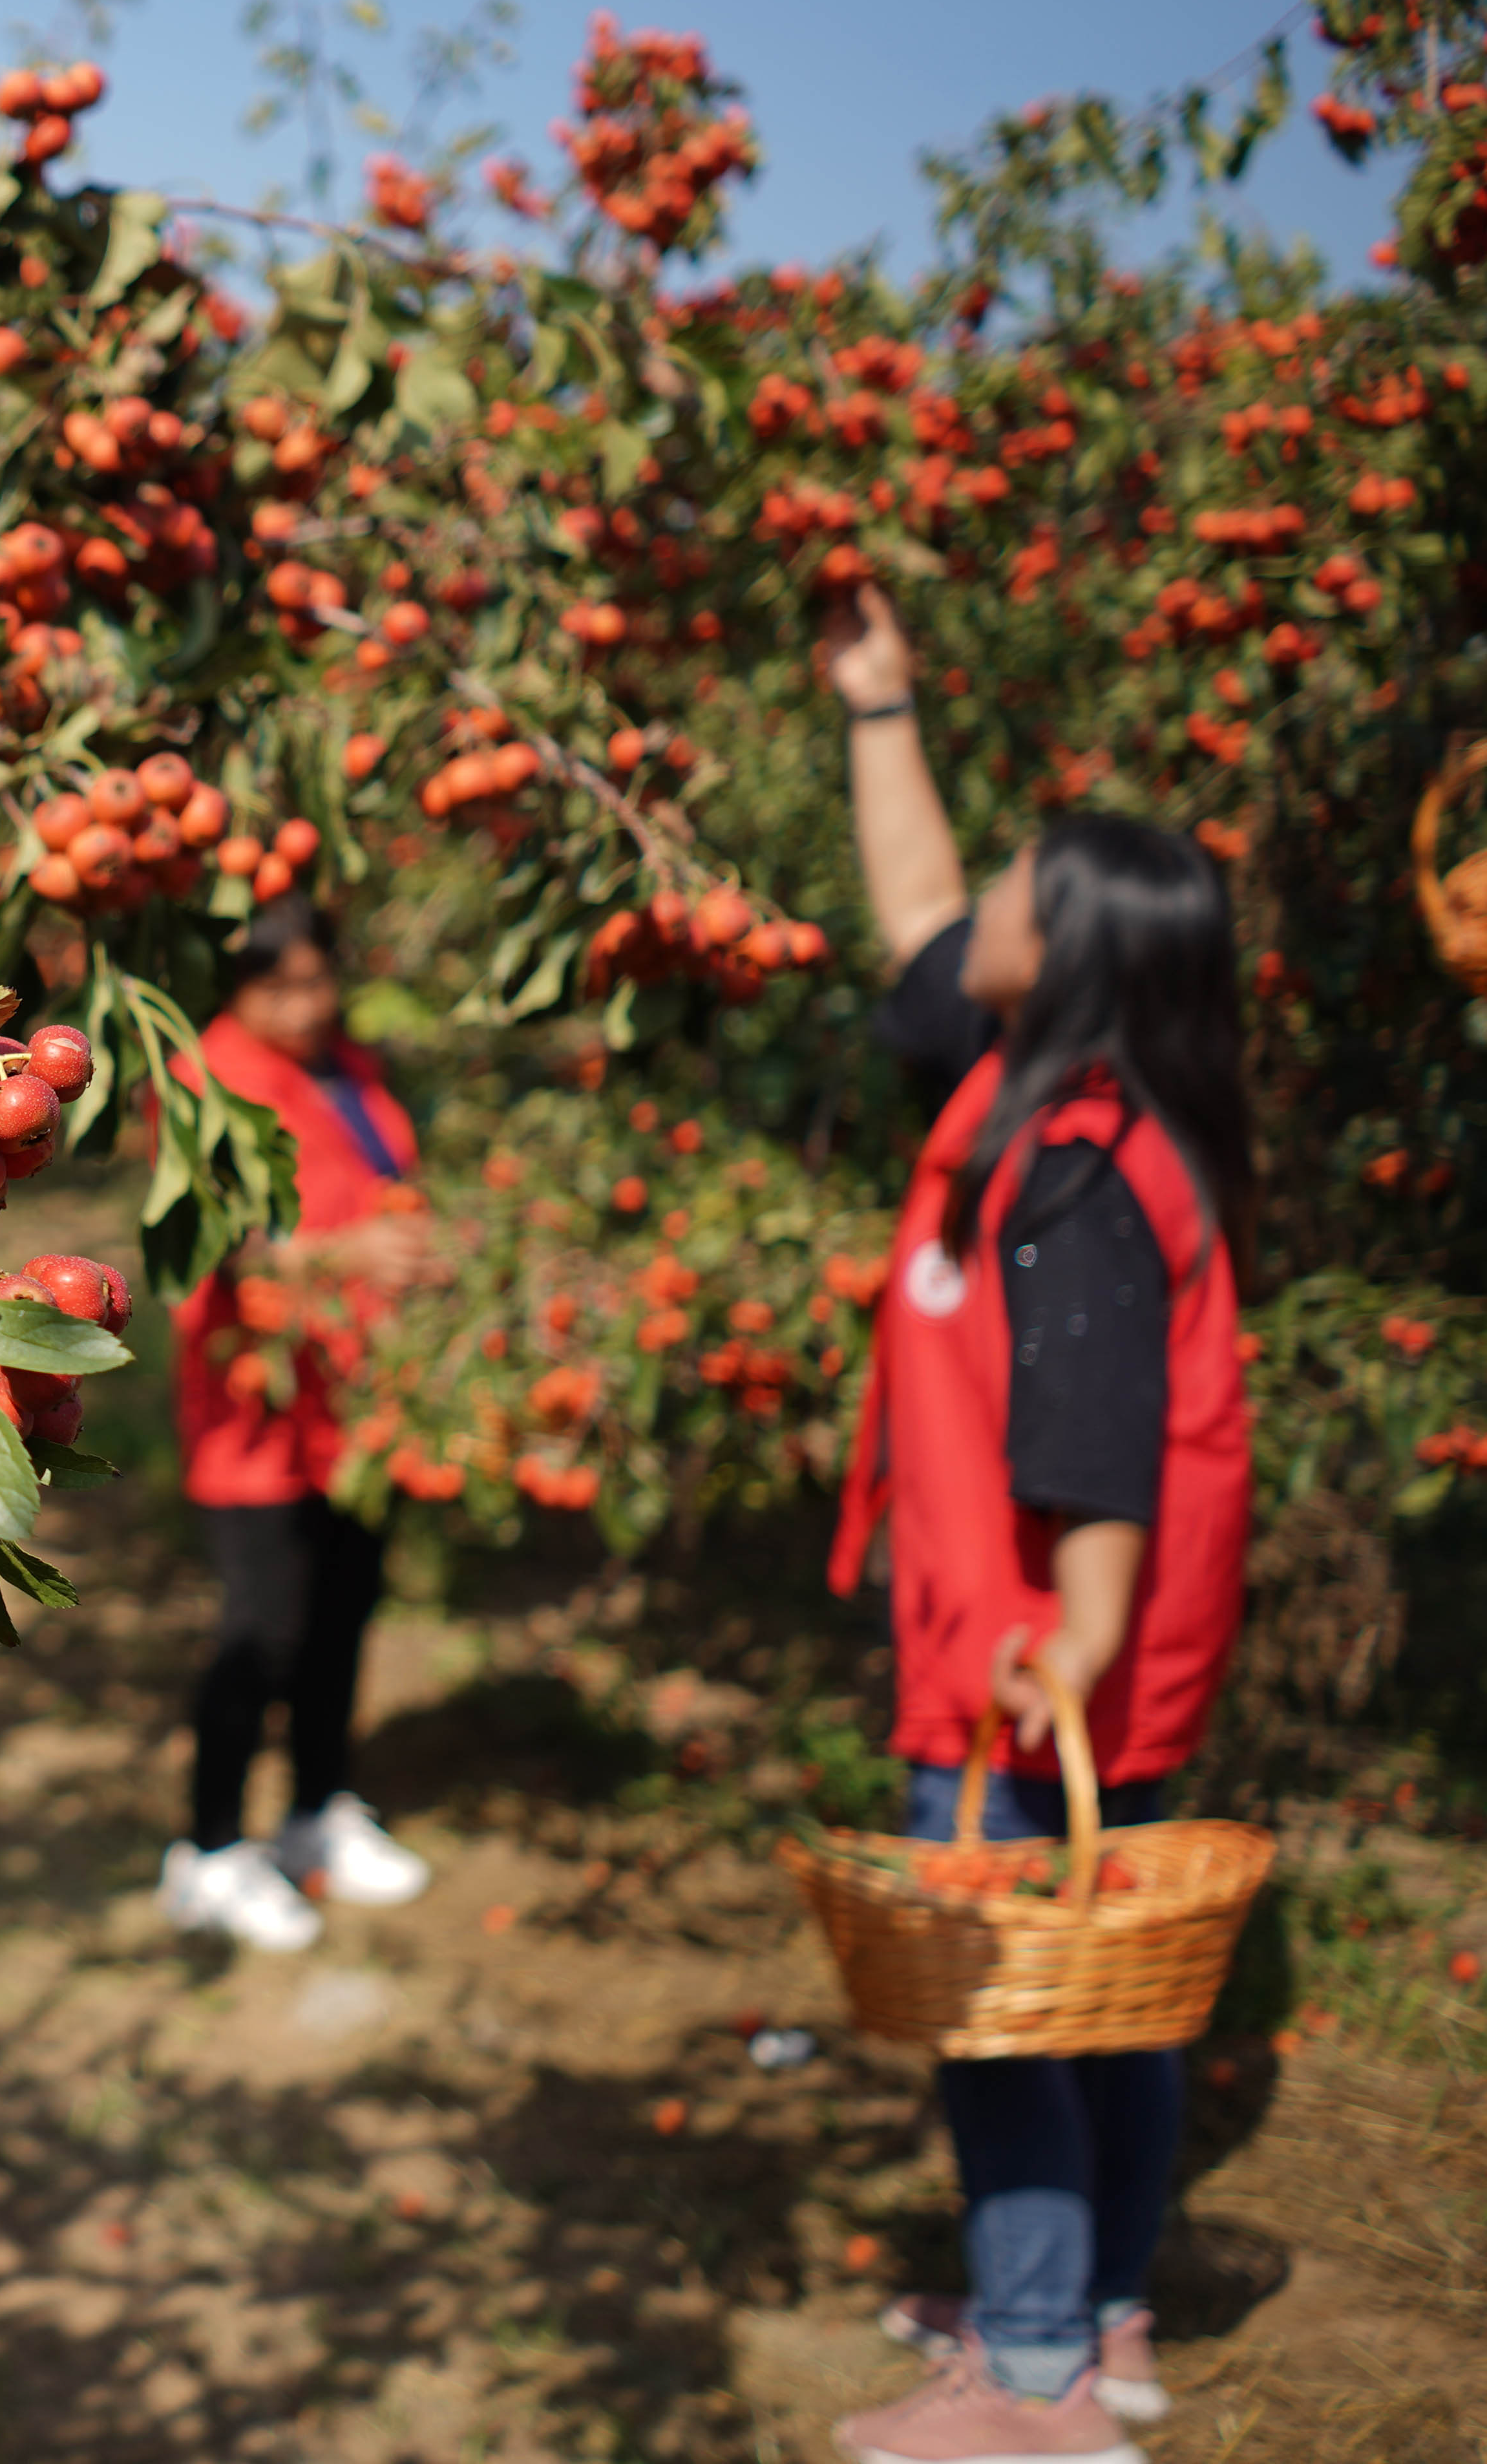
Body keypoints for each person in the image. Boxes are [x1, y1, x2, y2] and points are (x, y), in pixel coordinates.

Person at [814, 586, 1257, 2464]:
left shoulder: (1068, 1164)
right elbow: (917, 918)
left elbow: (1089, 1435)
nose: (977, 897)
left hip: (1027, 1645)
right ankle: (1101, 2303)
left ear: (1061, 948)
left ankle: (1031, 2382)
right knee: (1115, 1988)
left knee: (1008, 2002)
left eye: (1015, 882)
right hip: (1103, 1648)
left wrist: (1065, 1630)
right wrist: (876, 705)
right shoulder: (1064, 1090)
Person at [154, 897, 449, 1953]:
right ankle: (209, 1848)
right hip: (254, 1404)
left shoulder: (347, 1066)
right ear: (235, 988)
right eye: (279, 986)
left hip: (360, 1400)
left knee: (343, 1613)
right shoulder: (206, 1080)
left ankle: (317, 1812)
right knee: (260, 1630)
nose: (306, 1004)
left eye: (319, 981)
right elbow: (205, 1242)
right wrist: (341, 1257)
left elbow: (382, 1187)